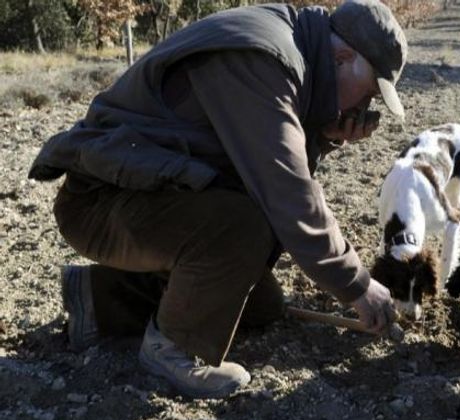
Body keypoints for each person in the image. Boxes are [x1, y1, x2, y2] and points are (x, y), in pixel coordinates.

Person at [28, 0, 407, 399]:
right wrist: (357, 284)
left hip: (153, 195)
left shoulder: (292, 54)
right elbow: (285, 191)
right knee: (242, 228)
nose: (362, 109)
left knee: (262, 306)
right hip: (102, 200)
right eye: (367, 95)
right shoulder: (263, 58)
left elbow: (264, 169)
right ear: (343, 57)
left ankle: (97, 297)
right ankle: (173, 349)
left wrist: (324, 135)